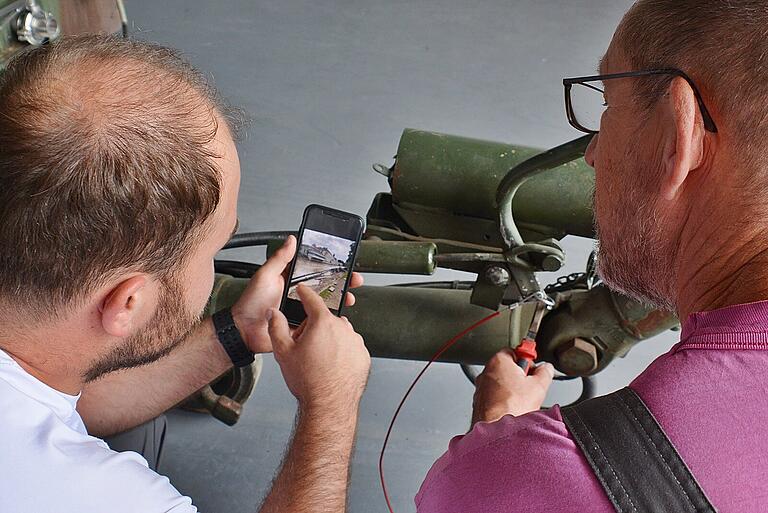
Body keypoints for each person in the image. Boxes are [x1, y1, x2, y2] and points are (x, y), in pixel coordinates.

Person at [416, 1, 768, 511]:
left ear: (677, 133)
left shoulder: (524, 480)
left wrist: (326, 406)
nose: (591, 153)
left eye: (606, 104)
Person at [0, 35, 370, 513]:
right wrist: (331, 407)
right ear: (127, 302)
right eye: (214, 249)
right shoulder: (101, 497)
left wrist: (234, 334)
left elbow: (53, 397)